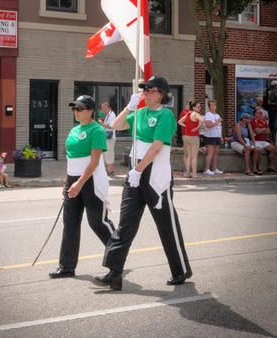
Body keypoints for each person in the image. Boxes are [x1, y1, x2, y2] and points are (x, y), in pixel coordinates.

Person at [92, 77, 192, 291]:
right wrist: (129, 107)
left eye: (149, 89)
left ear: (161, 93)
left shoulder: (166, 115)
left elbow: (156, 148)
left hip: (155, 175)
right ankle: (114, 273)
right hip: (135, 174)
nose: (145, 92)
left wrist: (138, 170)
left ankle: (180, 269)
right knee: (125, 224)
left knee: (166, 225)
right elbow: (115, 125)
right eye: (143, 89)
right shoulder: (139, 113)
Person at [49, 95, 115, 279]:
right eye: (74, 109)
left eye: (79, 108)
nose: (76, 112)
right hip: (73, 180)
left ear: (90, 110)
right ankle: (67, 267)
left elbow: (94, 162)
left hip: (91, 181)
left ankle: (118, 255)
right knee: (70, 223)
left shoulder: (97, 130)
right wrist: (67, 182)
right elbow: (72, 160)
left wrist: (80, 182)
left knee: (97, 222)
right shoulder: (73, 130)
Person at [178, 101, 204, 178]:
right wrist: (197, 128)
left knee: (188, 155)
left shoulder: (188, 114)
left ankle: (188, 173)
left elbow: (179, 121)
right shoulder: (196, 114)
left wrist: (186, 126)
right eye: (198, 107)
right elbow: (202, 121)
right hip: (194, 136)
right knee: (194, 156)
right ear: (194, 107)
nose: (200, 108)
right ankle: (194, 174)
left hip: (186, 136)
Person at [250, 107, 277, 172]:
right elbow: (257, 131)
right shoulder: (252, 121)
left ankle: (271, 166)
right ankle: (257, 167)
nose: (261, 114)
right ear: (255, 114)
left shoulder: (264, 121)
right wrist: (263, 130)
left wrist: (261, 130)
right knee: (258, 152)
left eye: (261, 113)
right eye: (260, 113)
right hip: (256, 141)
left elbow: (269, 131)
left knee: (273, 149)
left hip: (263, 141)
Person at [203, 99, 224, 175]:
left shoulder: (217, 115)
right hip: (210, 136)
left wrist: (221, 136)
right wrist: (217, 122)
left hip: (217, 136)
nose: (213, 106)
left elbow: (219, 127)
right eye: (212, 105)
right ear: (209, 106)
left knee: (216, 153)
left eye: (214, 105)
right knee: (210, 153)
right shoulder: (208, 114)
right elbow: (208, 125)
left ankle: (214, 168)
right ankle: (206, 169)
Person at [98, 102, 116, 176]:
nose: (102, 110)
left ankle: (110, 171)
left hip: (110, 138)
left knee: (109, 154)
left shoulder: (112, 115)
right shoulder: (108, 115)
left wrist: (102, 123)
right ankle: (108, 170)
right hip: (106, 138)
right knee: (106, 154)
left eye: (103, 108)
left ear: (107, 107)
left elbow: (112, 126)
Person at [178, 98, 192, 177]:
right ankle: (187, 170)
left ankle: (189, 170)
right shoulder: (184, 112)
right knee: (187, 153)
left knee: (190, 153)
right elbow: (181, 122)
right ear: (187, 104)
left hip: (190, 135)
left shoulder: (190, 112)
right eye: (189, 104)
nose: (190, 106)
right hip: (186, 134)